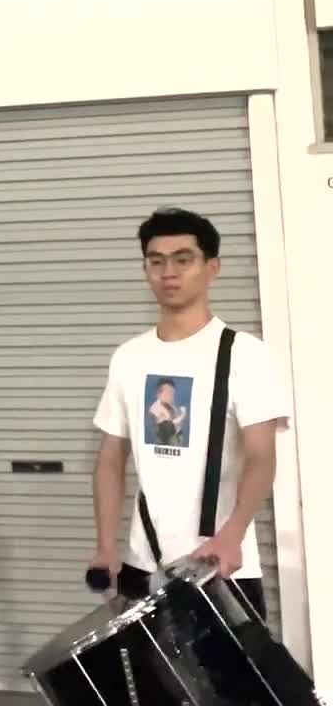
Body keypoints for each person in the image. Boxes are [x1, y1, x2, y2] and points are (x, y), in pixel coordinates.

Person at [88, 207, 290, 618]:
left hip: (219, 562)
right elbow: (110, 457)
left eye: (184, 259)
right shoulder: (129, 357)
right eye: (156, 261)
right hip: (142, 564)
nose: (169, 273)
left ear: (212, 267)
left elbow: (261, 456)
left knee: (234, 665)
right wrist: (106, 546)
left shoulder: (244, 354)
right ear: (145, 269)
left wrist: (233, 534)